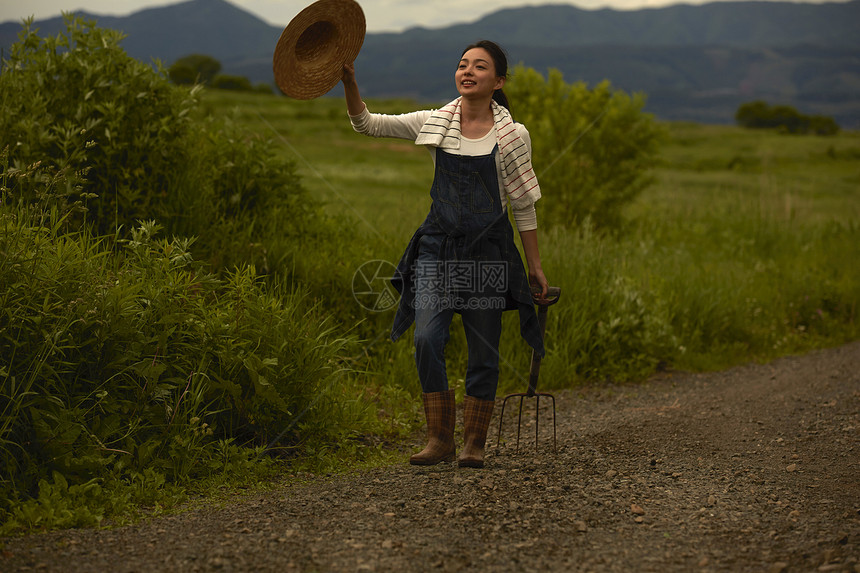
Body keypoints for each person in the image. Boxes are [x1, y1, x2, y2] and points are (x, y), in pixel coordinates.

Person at [342, 40, 548, 468]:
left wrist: (535, 267)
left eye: (479, 66)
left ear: (499, 81)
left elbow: (524, 204)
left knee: (484, 349)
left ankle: (474, 441)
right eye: (462, 65)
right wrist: (350, 81)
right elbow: (366, 124)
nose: (467, 71)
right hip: (438, 249)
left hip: (488, 254)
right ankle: (440, 437)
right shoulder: (435, 121)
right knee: (425, 338)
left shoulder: (513, 136)